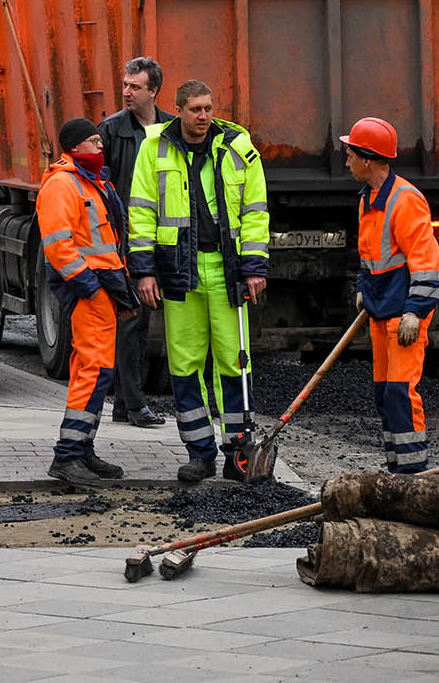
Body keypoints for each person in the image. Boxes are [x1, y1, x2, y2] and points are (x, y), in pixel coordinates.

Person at [128, 80, 271, 483]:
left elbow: (256, 210)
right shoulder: (154, 149)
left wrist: (255, 267)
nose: (203, 116)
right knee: (185, 365)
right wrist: (144, 271)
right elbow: (141, 213)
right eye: (194, 109)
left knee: (234, 362)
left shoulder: (237, 147)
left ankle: (238, 453)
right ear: (178, 110)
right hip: (180, 271)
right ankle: (199, 452)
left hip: (225, 271)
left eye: (208, 107)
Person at [38, 119, 136, 487]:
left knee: (93, 371)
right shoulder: (64, 184)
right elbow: (59, 246)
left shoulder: (91, 182)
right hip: (91, 289)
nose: (100, 147)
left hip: (102, 287)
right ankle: (68, 456)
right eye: (94, 141)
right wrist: (89, 287)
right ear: (75, 147)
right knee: (93, 372)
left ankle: (81, 448)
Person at [342, 117, 439, 473]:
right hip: (381, 310)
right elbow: (371, 253)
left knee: (401, 393)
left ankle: (413, 474)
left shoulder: (405, 201)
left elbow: (426, 262)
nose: (346, 161)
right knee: (384, 394)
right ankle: (395, 469)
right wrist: (362, 287)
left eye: (350, 154)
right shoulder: (368, 199)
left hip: (403, 315)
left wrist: (416, 311)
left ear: (368, 159)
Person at [97, 57, 171, 429]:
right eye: (125, 84)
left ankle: (126, 404)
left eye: (135, 86)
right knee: (132, 322)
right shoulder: (111, 131)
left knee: (153, 322)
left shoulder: (174, 129)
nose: (126, 91)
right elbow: (99, 188)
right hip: (127, 242)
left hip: (170, 240)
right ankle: (134, 403)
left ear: (153, 91)